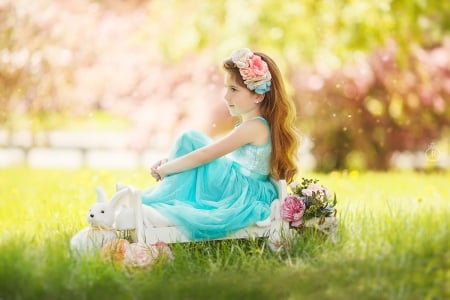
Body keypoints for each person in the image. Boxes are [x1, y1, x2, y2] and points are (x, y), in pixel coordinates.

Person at [141, 48, 299, 240]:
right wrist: (171, 163)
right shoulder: (253, 125)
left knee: (190, 139)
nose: (226, 96)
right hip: (238, 182)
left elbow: (206, 155)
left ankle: (159, 200)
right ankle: (163, 196)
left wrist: (165, 170)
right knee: (191, 142)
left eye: (233, 89)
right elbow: (210, 154)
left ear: (258, 95)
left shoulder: (255, 127)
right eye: (226, 88)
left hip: (242, 192)